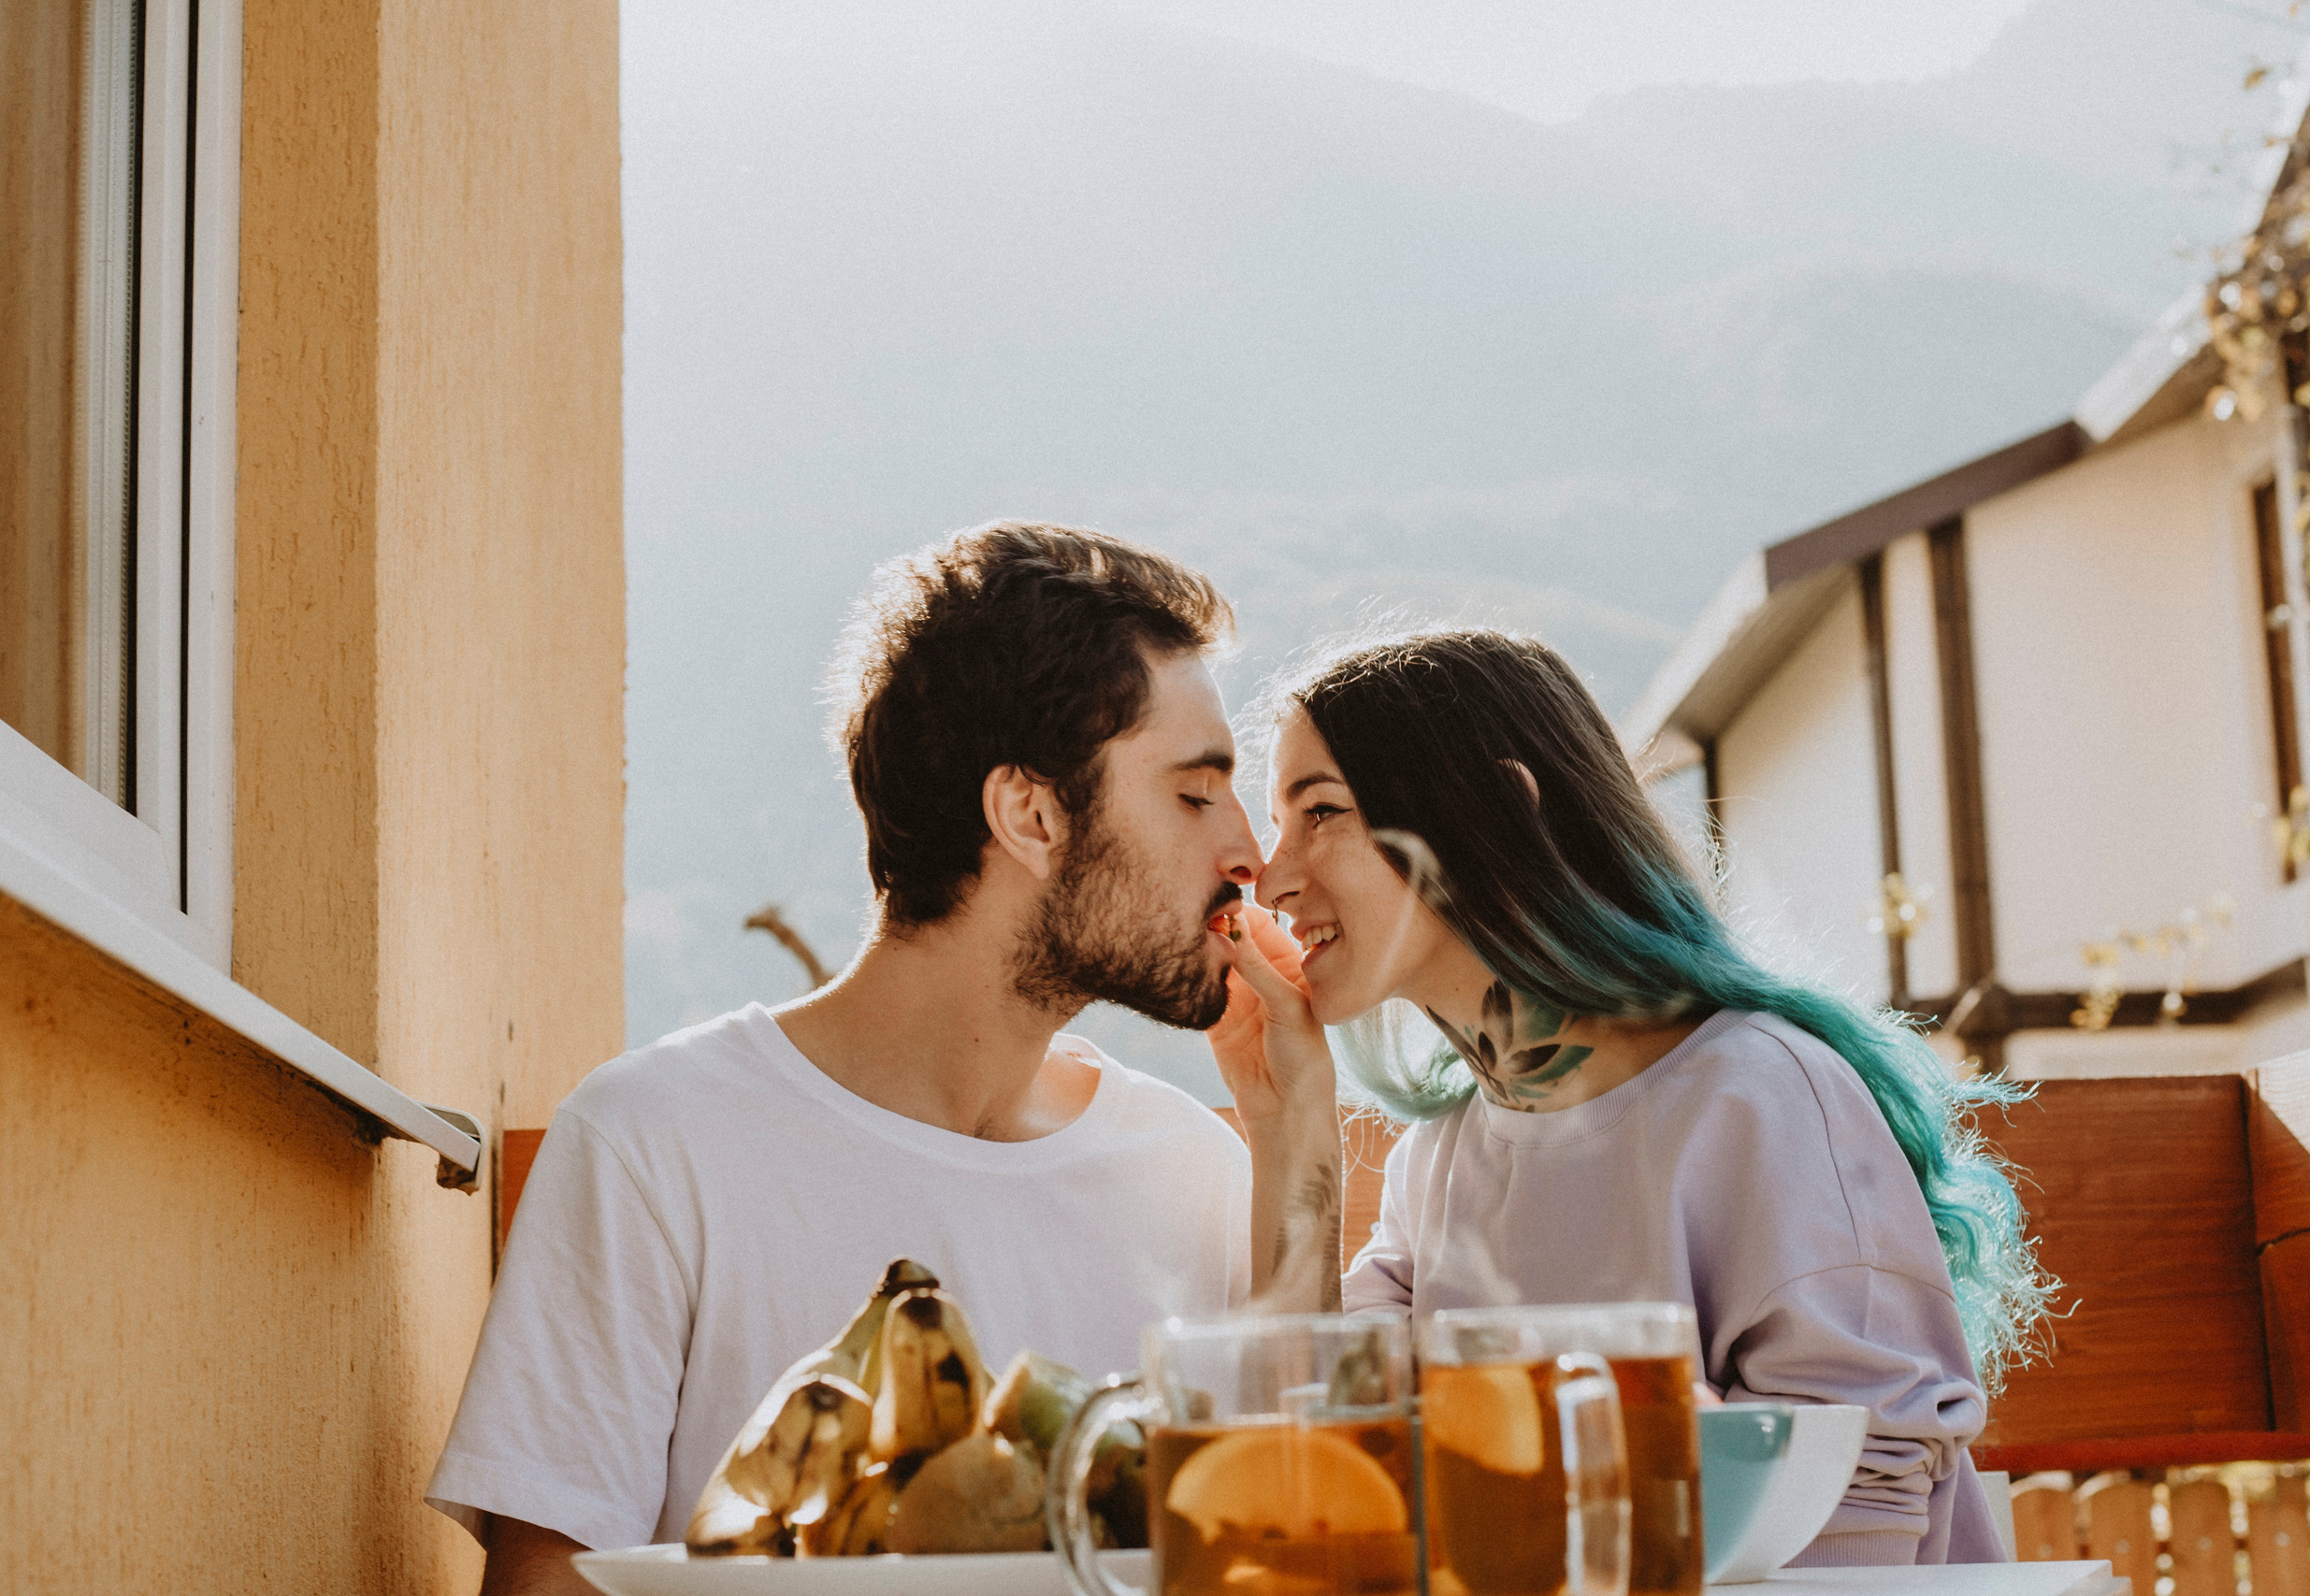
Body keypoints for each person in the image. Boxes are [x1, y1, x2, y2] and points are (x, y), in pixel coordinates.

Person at [429, 523, 1343, 1594]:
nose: (1247, 856)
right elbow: (549, 1586)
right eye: (1194, 795)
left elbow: (1302, 1556)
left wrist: (1292, 1143)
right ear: (1032, 814)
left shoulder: (1195, 1170)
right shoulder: (653, 1142)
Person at [1210, 628, 2050, 1569]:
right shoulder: (1441, 1160)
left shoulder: (1762, 1098)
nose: (1274, 879)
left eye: (1319, 813)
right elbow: (1317, 1461)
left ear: (1495, 817)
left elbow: (1856, 1506)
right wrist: (1287, 1133)